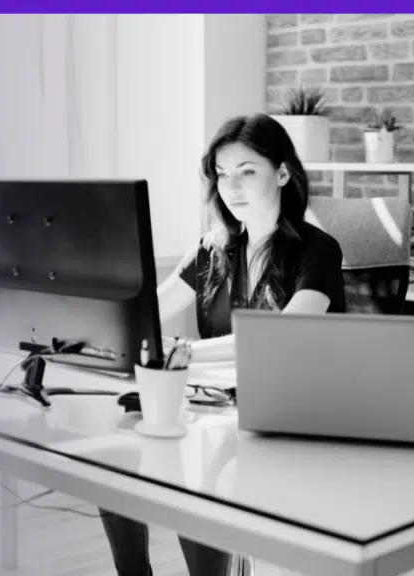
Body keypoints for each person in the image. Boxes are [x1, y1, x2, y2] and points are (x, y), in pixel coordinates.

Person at [98, 113, 347, 576]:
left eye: (247, 171)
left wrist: (181, 355)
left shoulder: (318, 250)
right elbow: (144, 313)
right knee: (116, 454)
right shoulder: (213, 249)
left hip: (289, 414)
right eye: (222, 173)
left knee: (192, 468)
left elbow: (278, 339)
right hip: (217, 406)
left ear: (283, 173)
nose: (232, 186)